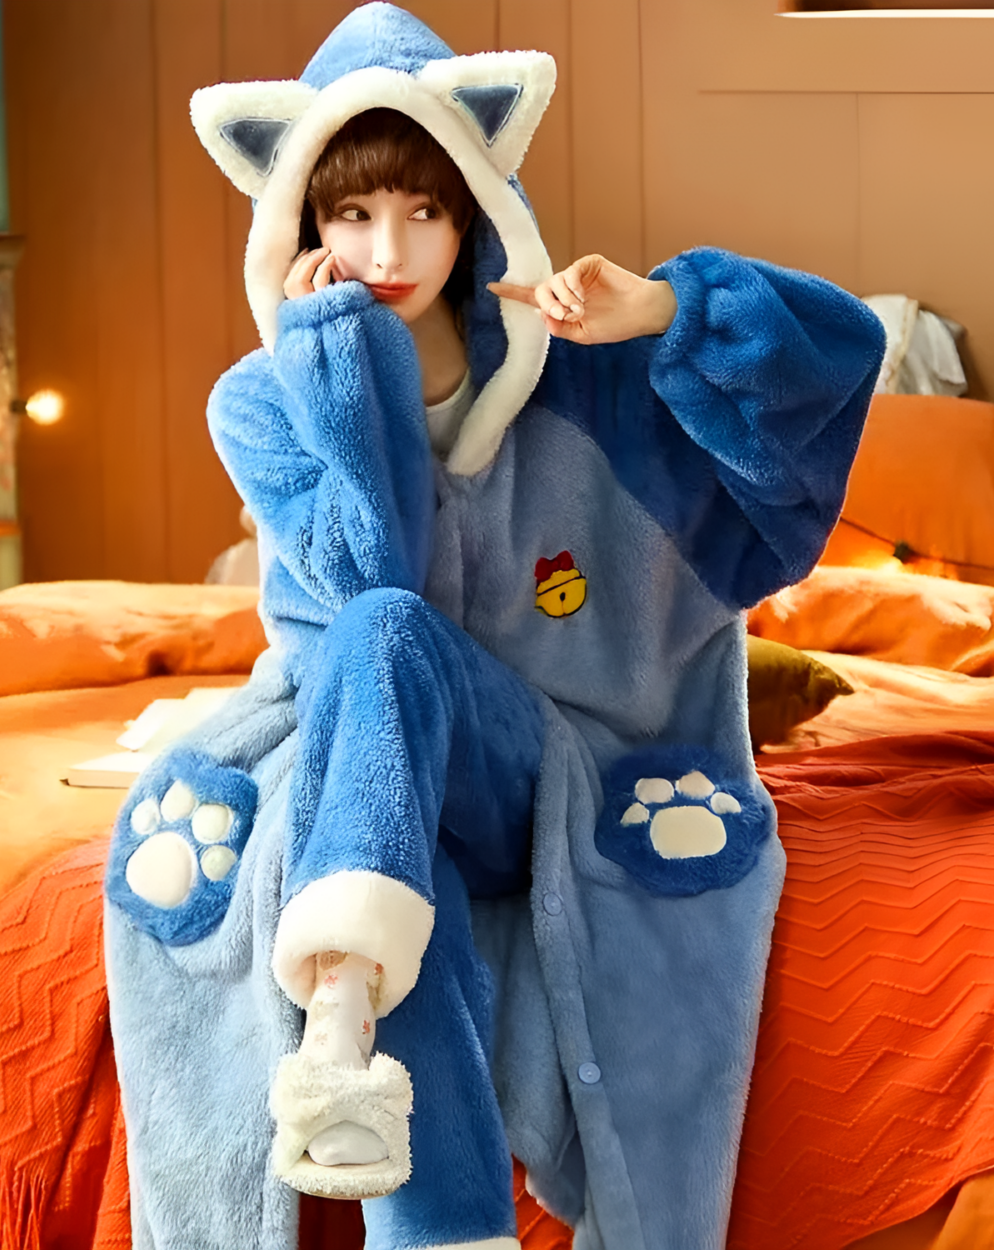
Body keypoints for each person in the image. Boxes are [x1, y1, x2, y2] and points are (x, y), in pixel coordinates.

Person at [103, 7, 885, 1250]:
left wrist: (669, 311)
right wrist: (338, 369)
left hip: (557, 758)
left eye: (422, 209)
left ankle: (342, 992)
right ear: (298, 221)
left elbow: (842, 354)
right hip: (377, 763)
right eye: (350, 215)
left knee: (386, 650)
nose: (386, 247)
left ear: (474, 205)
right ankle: (423, 1178)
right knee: (382, 659)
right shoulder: (261, 399)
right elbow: (372, 571)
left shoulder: (582, 372)